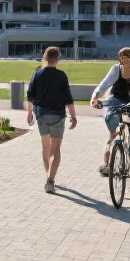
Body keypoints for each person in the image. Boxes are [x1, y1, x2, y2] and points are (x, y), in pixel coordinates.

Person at [90, 47, 130, 177]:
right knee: (112, 121)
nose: (124, 58)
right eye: (121, 56)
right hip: (116, 97)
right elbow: (104, 84)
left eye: (127, 56)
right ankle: (109, 160)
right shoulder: (116, 69)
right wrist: (95, 97)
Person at [26, 47, 78, 194]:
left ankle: (49, 175)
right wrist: (73, 116)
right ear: (58, 58)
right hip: (58, 115)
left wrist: (29, 113)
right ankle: (50, 180)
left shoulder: (37, 75)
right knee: (56, 149)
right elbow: (68, 98)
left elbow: (30, 95)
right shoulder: (62, 75)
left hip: (41, 114)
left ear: (45, 57)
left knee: (46, 147)